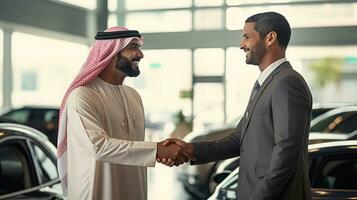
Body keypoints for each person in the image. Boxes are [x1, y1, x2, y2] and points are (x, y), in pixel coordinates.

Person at [161, 12, 313, 200]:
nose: (242, 45)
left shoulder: (287, 82)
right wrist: (189, 149)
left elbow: (287, 151)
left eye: (247, 37)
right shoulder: (265, 83)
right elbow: (237, 139)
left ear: (270, 38)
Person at [56, 26, 191, 200]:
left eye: (139, 48)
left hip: (134, 190)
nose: (140, 55)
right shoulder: (82, 95)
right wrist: (157, 150)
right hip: (97, 193)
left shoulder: (133, 96)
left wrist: (159, 151)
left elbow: (134, 146)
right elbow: (98, 146)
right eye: (133, 48)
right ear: (112, 53)